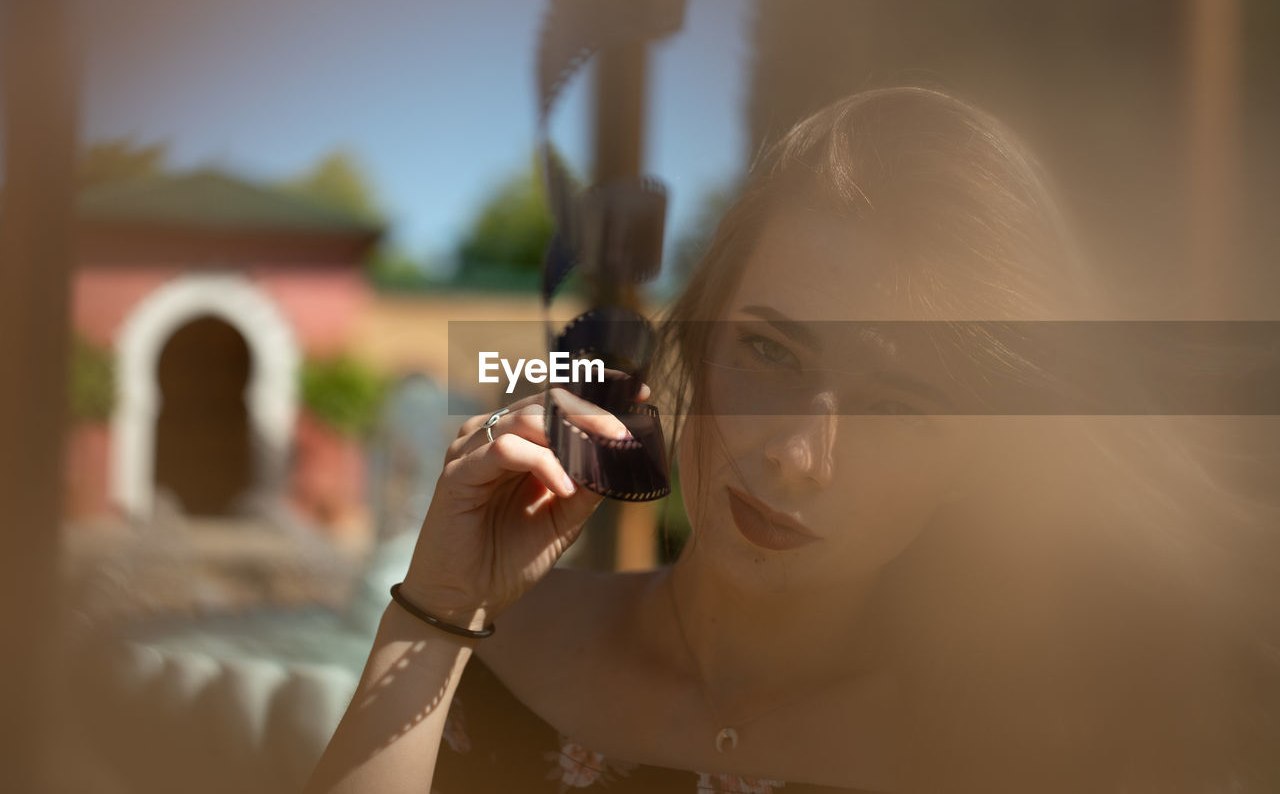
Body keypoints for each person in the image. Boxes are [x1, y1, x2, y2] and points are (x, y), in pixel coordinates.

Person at [303, 87, 1278, 794]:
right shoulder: (494, 653)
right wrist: (432, 613)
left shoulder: (1021, 751)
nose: (797, 456)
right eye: (767, 349)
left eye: (898, 406)